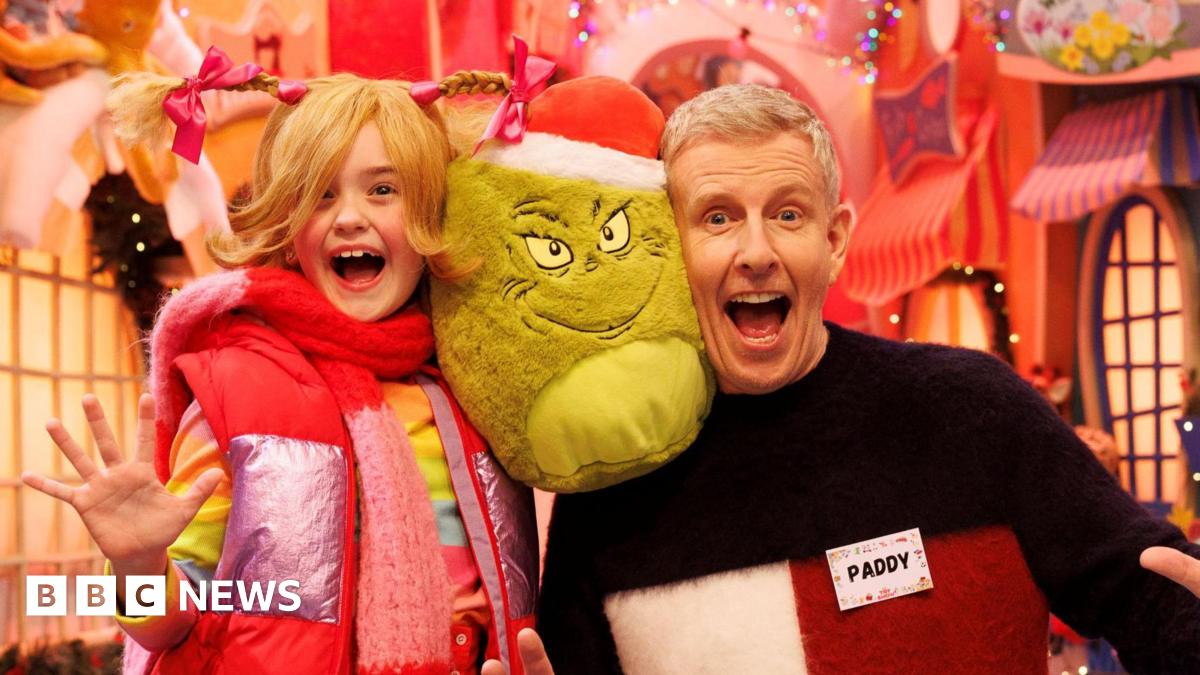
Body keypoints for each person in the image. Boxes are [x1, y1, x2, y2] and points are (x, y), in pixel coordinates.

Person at [486, 84, 1200, 674]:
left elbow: (1155, 593)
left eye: (787, 214)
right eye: (718, 217)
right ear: (670, 250)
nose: (756, 251)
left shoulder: (973, 411)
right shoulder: (612, 492)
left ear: (834, 240)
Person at [22, 65, 539, 675]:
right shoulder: (232, 393)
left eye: (382, 190)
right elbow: (171, 625)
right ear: (289, 228)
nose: (349, 217)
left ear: (429, 215)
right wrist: (138, 565)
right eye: (320, 193)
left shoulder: (469, 389)